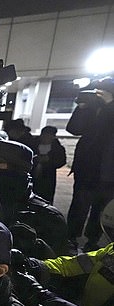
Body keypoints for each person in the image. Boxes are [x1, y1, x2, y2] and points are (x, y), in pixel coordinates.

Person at [66, 77, 114, 252]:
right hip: (87, 169)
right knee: (79, 205)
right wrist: (82, 108)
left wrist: (109, 105)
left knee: (101, 211)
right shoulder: (90, 109)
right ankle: (71, 238)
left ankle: (92, 242)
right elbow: (73, 128)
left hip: (109, 172)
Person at [31, 126, 66, 204]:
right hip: (32, 174)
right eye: (44, 135)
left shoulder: (57, 148)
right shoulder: (33, 144)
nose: (46, 138)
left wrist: (49, 160)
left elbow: (61, 161)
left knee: (46, 197)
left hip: (48, 177)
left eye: (49, 136)